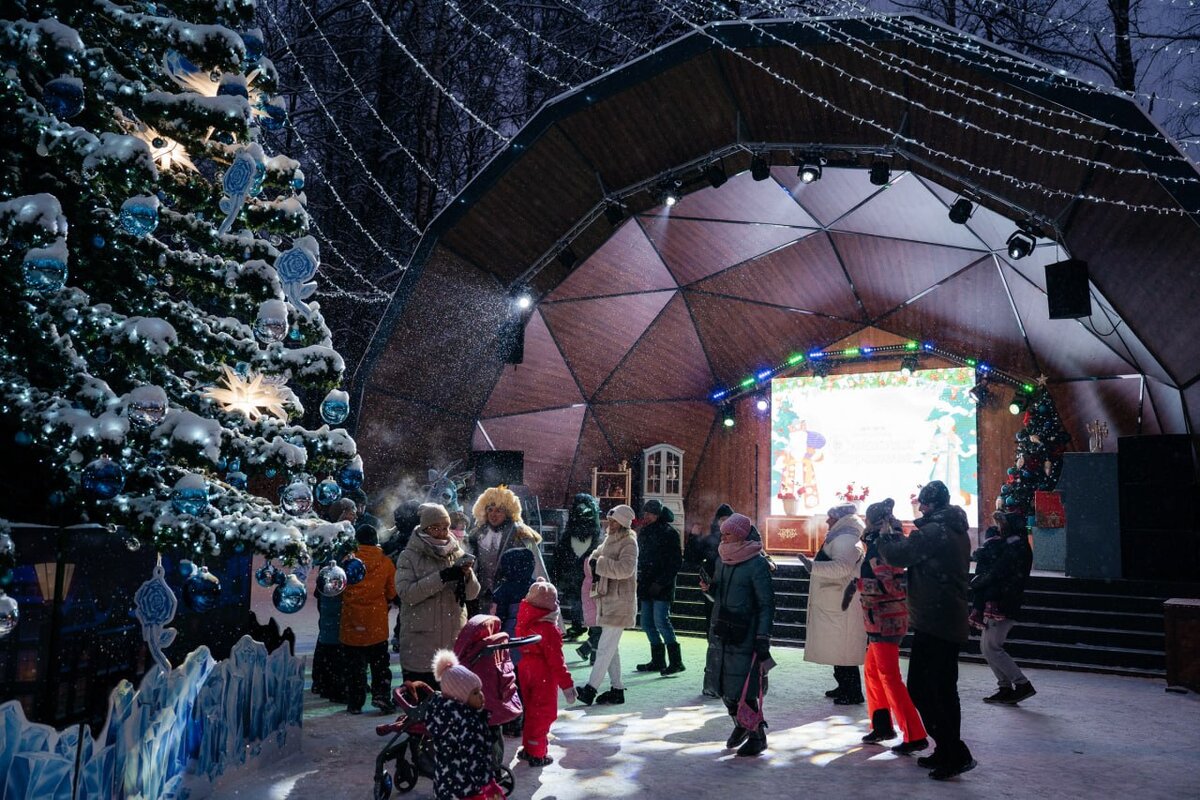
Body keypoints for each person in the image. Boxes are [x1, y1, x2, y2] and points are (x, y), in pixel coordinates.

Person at [878, 480, 976, 781]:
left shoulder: (936, 531)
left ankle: (954, 752)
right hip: (945, 617)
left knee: (925, 689)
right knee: (943, 690)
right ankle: (946, 749)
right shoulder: (955, 528)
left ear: (932, 504)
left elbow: (899, 555)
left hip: (936, 620)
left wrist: (886, 535)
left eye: (923, 502)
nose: (920, 507)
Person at [699, 513, 774, 757]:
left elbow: (766, 604)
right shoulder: (723, 559)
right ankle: (741, 723)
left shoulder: (756, 563)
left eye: (728, 533)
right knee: (723, 686)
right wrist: (710, 589)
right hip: (723, 629)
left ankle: (757, 735)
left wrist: (762, 637)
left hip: (745, 632)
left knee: (743, 688)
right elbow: (719, 596)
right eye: (722, 533)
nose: (723, 537)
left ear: (740, 534)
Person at [856, 499, 928, 753]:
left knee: (889, 676)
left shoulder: (884, 543)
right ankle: (882, 724)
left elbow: (890, 582)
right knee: (873, 672)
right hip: (880, 617)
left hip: (885, 618)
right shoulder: (884, 540)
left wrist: (861, 586)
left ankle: (914, 734)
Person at [395, 503, 481, 685]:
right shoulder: (409, 556)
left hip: (453, 641)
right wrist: (441, 577)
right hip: (421, 643)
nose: (442, 533)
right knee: (422, 696)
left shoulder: (456, 552)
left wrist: (467, 575)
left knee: (451, 698)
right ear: (425, 528)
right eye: (436, 528)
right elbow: (407, 594)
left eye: (445, 527)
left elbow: (472, 594)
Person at [797, 503, 866, 706]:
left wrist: (813, 566)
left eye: (830, 517)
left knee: (843, 649)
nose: (827, 520)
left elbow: (842, 568)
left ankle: (852, 691)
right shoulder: (843, 535)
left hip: (841, 601)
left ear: (840, 518)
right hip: (837, 599)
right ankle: (844, 686)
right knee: (838, 647)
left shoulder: (846, 538)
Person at [575, 504, 639, 706]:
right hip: (609, 601)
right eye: (609, 521)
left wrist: (600, 564)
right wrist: (596, 561)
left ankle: (591, 689)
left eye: (614, 521)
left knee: (604, 648)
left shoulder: (629, 542)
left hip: (619, 603)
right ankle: (617, 689)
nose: (610, 524)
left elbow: (625, 569)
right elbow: (595, 554)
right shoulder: (611, 539)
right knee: (611, 649)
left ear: (622, 523)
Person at [971, 511, 1036, 705]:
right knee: (987, 647)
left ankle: (1021, 684)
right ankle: (1005, 686)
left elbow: (999, 571)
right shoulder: (1013, 545)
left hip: (1003, 601)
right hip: (1001, 600)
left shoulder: (1015, 547)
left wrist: (982, 580)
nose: (1000, 527)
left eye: (1002, 524)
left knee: (992, 647)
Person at [425, 651, 506, 800]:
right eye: (475, 693)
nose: (481, 695)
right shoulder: (468, 722)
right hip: (467, 788)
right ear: (460, 697)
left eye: (480, 690)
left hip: (446, 786)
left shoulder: (443, 715)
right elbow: (474, 757)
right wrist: (487, 784)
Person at [514, 578, 576, 767]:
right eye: (555, 600)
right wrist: (567, 686)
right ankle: (537, 752)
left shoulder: (525, 620)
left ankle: (528, 746)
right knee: (543, 713)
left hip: (525, 668)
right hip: (542, 673)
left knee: (531, 710)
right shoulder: (548, 629)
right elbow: (557, 662)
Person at [339, 524, 397, 714]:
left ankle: (355, 702)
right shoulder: (385, 562)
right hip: (376, 622)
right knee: (380, 665)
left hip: (351, 621)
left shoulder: (347, 561)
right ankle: (381, 695)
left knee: (354, 667)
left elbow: (338, 587)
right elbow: (392, 591)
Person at [466, 486, 548, 615]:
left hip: (512, 597)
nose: (493, 514)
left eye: (499, 510)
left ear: (508, 512)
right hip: (481, 596)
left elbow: (537, 568)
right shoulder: (477, 534)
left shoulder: (520, 534)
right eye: (490, 509)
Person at [636, 499, 684, 676]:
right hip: (647, 584)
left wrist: (661, 582)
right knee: (647, 623)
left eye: (650, 514)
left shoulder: (669, 533)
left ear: (657, 514)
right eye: (645, 513)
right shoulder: (645, 532)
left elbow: (675, 562)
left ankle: (676, 662)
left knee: (661, 622)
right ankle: (658, 660)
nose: (646, 516)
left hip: (662, 586)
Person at [552, 493, 603, 641]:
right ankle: (578, 625)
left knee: (589, 601)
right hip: (574, 572)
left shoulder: (594, 534)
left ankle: (592, 630)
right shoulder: (570, 533)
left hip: (588, 573)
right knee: (576, 599)